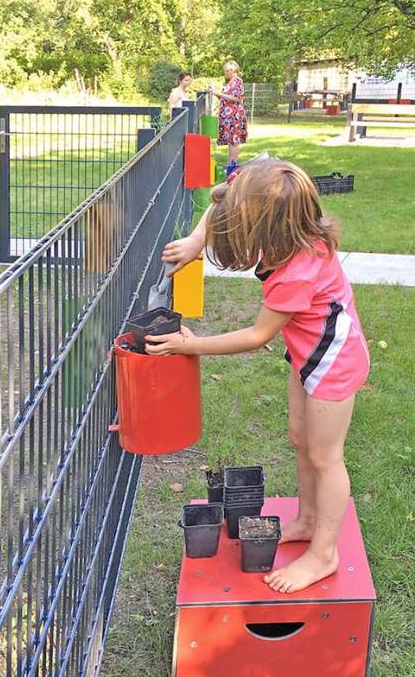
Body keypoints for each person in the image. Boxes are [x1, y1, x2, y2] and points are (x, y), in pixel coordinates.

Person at [147, 158, 370, 594]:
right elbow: (221, 206)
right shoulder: (291, 229)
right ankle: (307, 521)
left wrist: (189, 346)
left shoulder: (297, 272)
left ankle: (324, 554)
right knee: (300, 439)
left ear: (268, 228)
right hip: (308, 353)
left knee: (326, 457)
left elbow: (256, 335)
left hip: (334, 363)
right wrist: (196, 240)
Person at [214, 60, 247, 177]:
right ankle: (230, 168)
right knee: (230, 142)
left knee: (234, 141)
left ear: (235, 71)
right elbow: (225, 99)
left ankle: (233, 167)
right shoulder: (229, 83)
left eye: (229, 70)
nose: (227, 72)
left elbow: (236, 98)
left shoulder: (238, 81)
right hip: (227, 116)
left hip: (234, 116)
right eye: (226, 70)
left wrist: (219, 93)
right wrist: (216, 94)